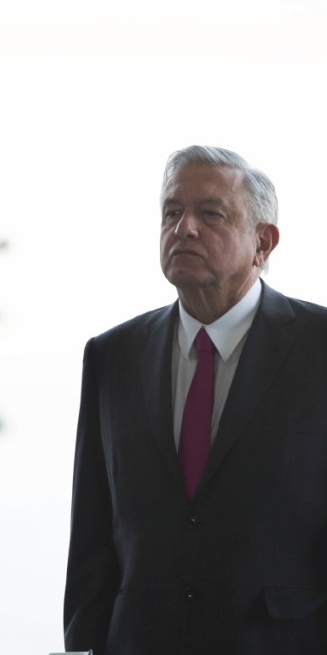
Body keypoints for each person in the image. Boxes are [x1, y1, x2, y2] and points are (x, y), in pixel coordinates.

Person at [64, 145, 327, 654]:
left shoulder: (318, 347)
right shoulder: (113, 354)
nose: (184, 228)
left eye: (210, 213)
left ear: (263, 242)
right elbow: (92, 536)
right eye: (172, 212)